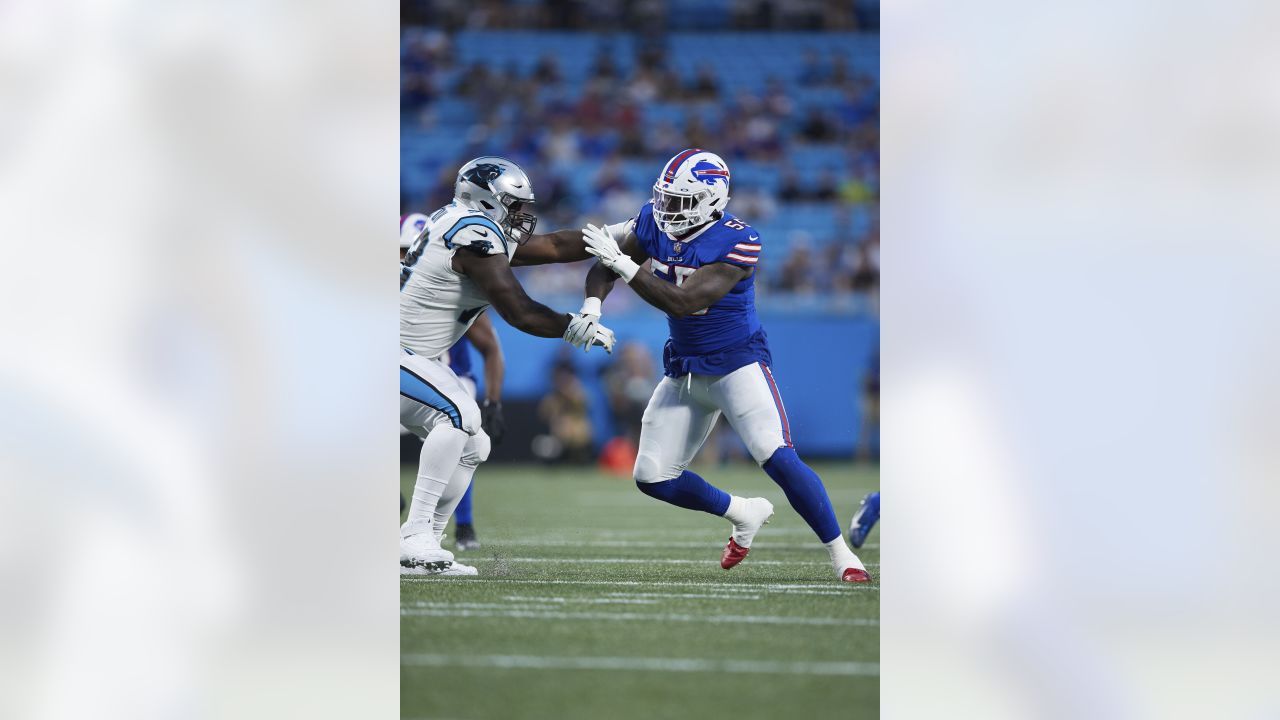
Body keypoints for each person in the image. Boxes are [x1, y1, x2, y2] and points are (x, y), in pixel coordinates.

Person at [576, 148, 871, 583]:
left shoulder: (739, 239)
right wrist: (592, 306)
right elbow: (604, 260)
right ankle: (742, 512)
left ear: (711, 200)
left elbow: (685, 299)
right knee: (651, 476)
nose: (666, 209)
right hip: (685, 369)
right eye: (664, 198)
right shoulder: (653, 220)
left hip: (737, 366)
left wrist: (622, 264)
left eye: (679, 201)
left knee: (778, 457)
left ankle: (842, 555)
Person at [399, 156, 614, 576]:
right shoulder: (472, 234)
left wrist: (621, 234)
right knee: (459, 413)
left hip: (411, 357)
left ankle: (427, 547)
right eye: (513, 205)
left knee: (475, 444)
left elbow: (554, 246)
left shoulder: (467, 223)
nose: (521, 215)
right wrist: (574, 327)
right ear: (484, 199)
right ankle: (414, 536)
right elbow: (520, 312)